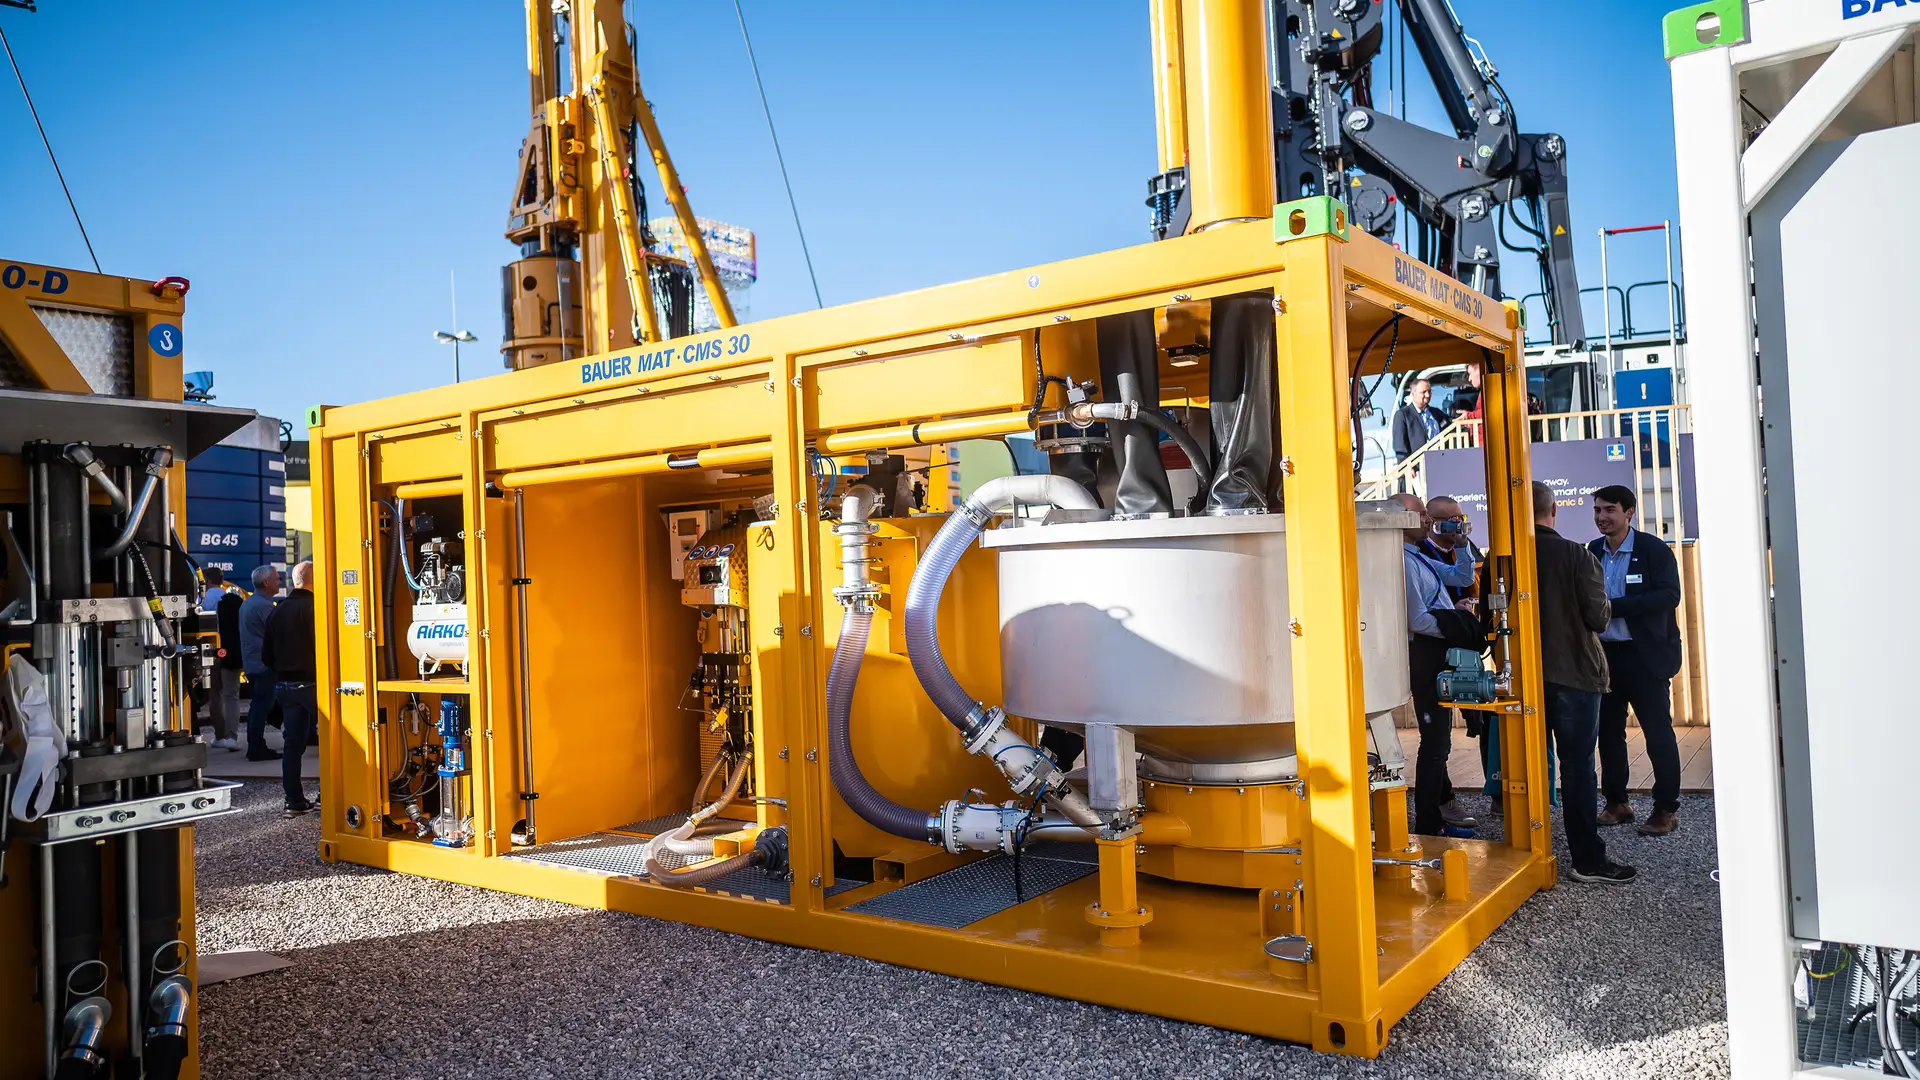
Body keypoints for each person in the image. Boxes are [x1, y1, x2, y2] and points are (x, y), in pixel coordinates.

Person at [1533, 481, 1635, 883]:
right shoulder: (1577, 554)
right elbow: (1599, 617)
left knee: (1527, 765)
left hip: (1522, 677)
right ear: (1553, 510)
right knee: (1577, 768)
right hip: (1574, 674)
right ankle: (1587, 860)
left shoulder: (1501, 558)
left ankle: (1527, 850)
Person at [1587, 484, 1684, 836]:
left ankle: (1665, 809)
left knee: (1657, 734)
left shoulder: (1653, 550)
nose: (1601, 517)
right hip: (1604, 657)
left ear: (1629, 512)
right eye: (1597, 510)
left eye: (1609, 509)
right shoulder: (1592, 551)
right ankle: (1617, 803)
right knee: (1609, 734)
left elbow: (1669, 596)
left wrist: (1615, 608)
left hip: (1645, 657)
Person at [1391, 493, 1477, 837]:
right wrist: (1456, 622)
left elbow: (1461, 575)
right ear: (1399, 518)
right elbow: (1417, 620)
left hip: (1434, 654)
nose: (1428, 520)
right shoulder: (1403, 561)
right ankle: (1429, 823)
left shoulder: (1416, 556)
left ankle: (1435, 816)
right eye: (1421, 514)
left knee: (1439, 742)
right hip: (1425, 657)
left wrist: (1463, 542)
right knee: (1435, 743)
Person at [262, 560, 319, 817]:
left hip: (284, 685)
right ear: (314, 580)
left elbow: (266, 656)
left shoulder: (278, 610)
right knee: (334, 739)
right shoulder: (314, 608)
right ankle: (327, 795)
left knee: (292, 745)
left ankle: (293, 800)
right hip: (312, 683)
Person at [240, 564, 281, 761]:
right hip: (263, 663)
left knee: (260, 704)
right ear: (266, 582)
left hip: (253, 661)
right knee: (261, 705)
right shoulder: (264, 607)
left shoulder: (249, 603)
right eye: (276, 578)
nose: (279, 581)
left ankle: (255, 744)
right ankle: (256, 746)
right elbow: (277, 633)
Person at [206, 568, 243, 751]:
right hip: (231, 652)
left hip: (210, 652)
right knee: (231, 695)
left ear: (207, 580)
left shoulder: (203, 600)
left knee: (215, 694)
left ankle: (219, 735)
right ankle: (231, 737)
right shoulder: (233, 599)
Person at [1391, 379, 1449, 463]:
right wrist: (1407, 466)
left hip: (1440, 462)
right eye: (1423, 392)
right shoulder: (1403, 415)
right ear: (1413, 393)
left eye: (1429, 391)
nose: (1427, 395)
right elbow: (1400, 446)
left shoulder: (1436, 413)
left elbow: (1448, 425)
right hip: (1418, 466)